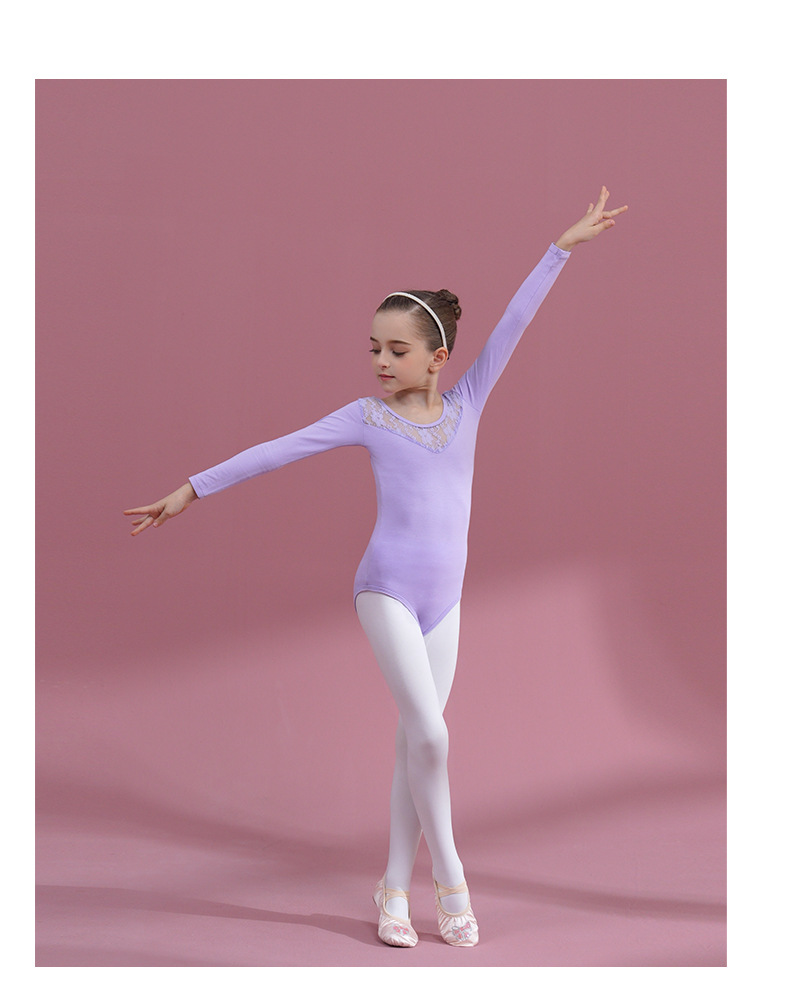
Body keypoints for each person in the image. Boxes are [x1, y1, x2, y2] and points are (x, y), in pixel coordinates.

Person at [124, 186, 628, 948]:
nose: (380, 362)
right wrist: (192, 488)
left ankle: (393, 888)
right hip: (385, 589)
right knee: (432, 735)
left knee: (412, 746)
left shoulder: (468, 403)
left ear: (438, 358)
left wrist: (561, 248)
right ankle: (451, 881)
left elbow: (514, 323)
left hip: (445, 601)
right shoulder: (364, 417)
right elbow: (276, 450)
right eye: (373, 349)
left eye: (396, 350)